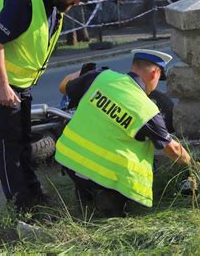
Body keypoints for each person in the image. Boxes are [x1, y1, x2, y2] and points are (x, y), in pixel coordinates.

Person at [0, 0, 103, 211]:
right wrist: (2, 85)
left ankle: (32, 191)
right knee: (9, 141)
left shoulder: (54, 2)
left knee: (23, 136)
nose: (76, 3)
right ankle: (21, 205)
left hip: (20, 80)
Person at [55, 49, 191, 217]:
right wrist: (194, 166)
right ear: (155, 73)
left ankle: (87, 197)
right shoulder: (146, 109)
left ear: (134, 66)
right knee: (149, 161)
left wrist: (83, 72)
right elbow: (174, 150)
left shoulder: (100, 78)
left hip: (70, 160)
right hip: (104, 175)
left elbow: (63, 87)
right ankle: (112, 201)